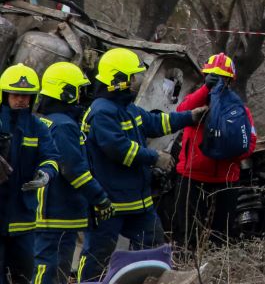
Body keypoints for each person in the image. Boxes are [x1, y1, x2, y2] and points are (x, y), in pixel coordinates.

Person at [79, 48, 203, 281]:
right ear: (117, 80)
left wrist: (189, 117)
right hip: (110, 204)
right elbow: (118, 150)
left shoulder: (126, 107)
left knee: (153, 250)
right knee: (97, 254)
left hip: (138, 203)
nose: (137, 82)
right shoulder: (102, 112)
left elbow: (155, 123)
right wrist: (155, 157)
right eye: (132, 77)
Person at [33, 62, 113, 284]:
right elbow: (74, 169)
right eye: (78, 90)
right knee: (50, 269)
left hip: (49, 210)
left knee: (46, 267)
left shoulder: (47, 121)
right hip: (57, 214)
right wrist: (100, 198)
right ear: (65, 92)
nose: (82, 95)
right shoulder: (64, 126)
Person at [169, 53, 257, 250]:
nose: (217, 82)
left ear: (230, 81)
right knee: (186, 235)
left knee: (222, 236)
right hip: (192, 176)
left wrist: (227, 153)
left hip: (226, 180)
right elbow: (180, 112)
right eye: (211, 76)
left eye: (220, 78)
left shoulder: (238, 110)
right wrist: (205, 89)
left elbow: (250, 142)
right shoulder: (196, 104)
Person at [0, 64, 60, 284]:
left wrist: (45, 174)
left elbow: (51, 155)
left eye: (27, 96)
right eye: (16, 95)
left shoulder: (37, 126)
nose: (21, 100)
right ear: (4, 94)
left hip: (22, 217)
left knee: (24, 275)